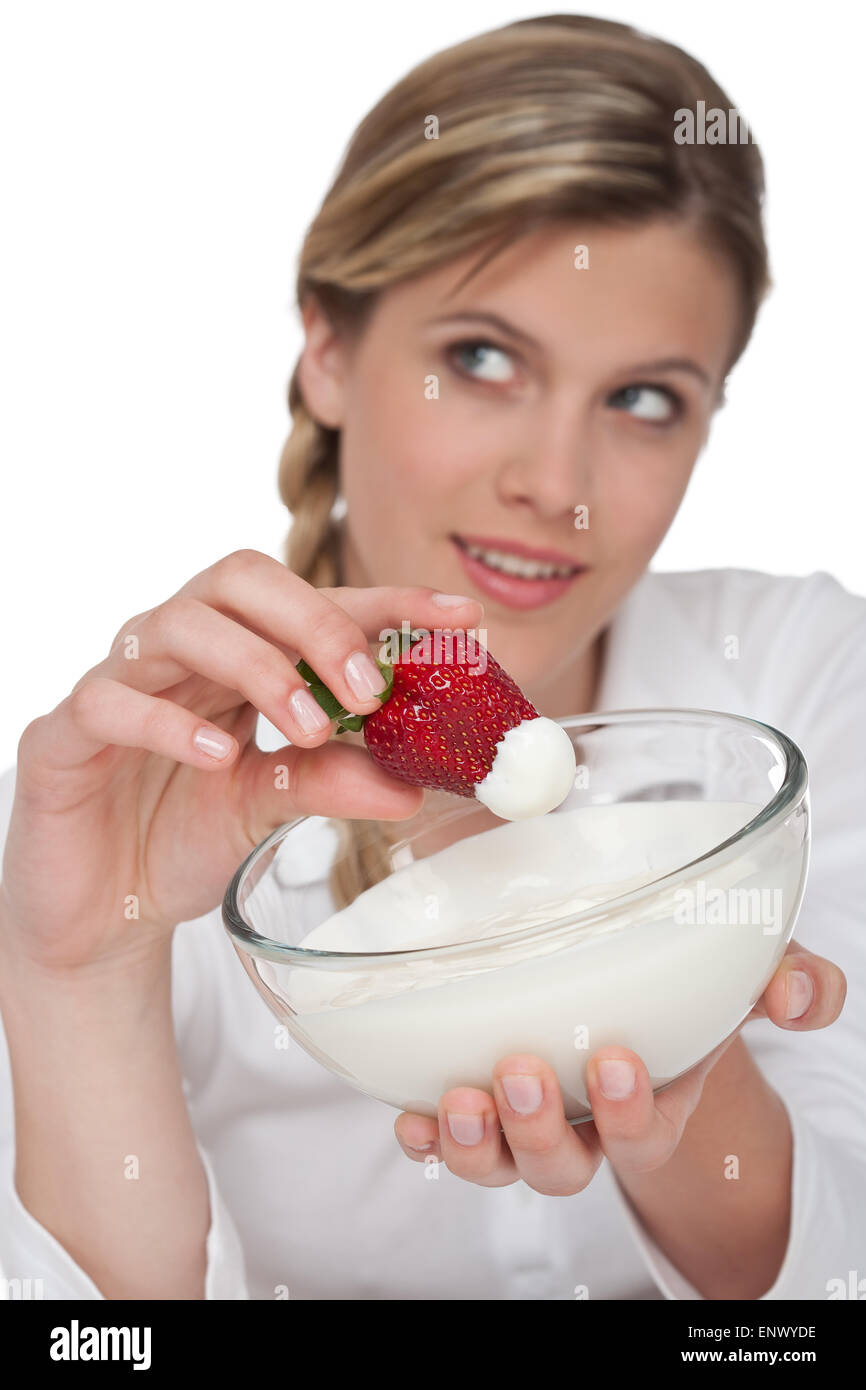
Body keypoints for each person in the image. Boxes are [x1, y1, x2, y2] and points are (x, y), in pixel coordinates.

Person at [1, 14, 863, 1302]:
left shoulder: (801, 678)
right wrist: (83, 972)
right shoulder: (138, 794)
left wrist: (682, 1051)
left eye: (643, 399)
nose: (554, 485)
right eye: (481, 359)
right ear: (330, 352)